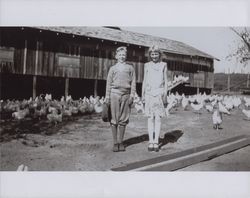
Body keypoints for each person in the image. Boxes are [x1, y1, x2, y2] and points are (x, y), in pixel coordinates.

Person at [105, 46, 136, 152]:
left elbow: (133, 83)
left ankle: (121, 142)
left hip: (126, 95)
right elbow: (108, 83)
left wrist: (132, 95)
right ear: (116, 56)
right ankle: (115, 143)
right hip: (114, 94)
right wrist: (107, 97)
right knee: (114, 119)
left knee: (123, 118)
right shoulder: (112, 69)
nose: (122, 56)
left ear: (126, 56)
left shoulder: (130, 68)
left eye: (124, 55)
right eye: (120, 55)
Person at [142, 45, 168, 152]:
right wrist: (143, 94)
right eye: (152, 54)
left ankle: (156, 141)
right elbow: (144, 80)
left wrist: (165, 94)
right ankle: (151, 141)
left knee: (157, 118)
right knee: (150, 118)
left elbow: (166, 81)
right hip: (149, 93)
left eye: (156, 54)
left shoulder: (164, 65)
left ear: (159, 54)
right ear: (150, 55)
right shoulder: (146, 65)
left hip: (159, 93)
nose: (154, 56)